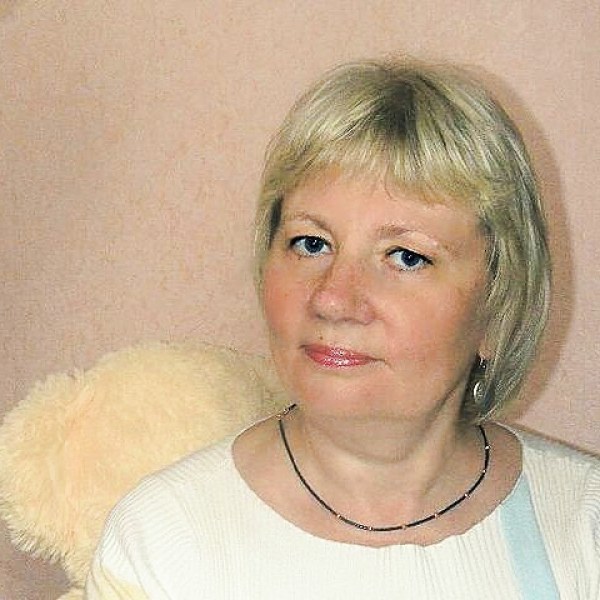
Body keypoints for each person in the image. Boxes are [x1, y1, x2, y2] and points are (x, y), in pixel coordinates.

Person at [85, 59, 599, 599]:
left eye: (404, 256)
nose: (332, 298)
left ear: (497, 308)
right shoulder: (165, 541)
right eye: (311, 244)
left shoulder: (584, 530)